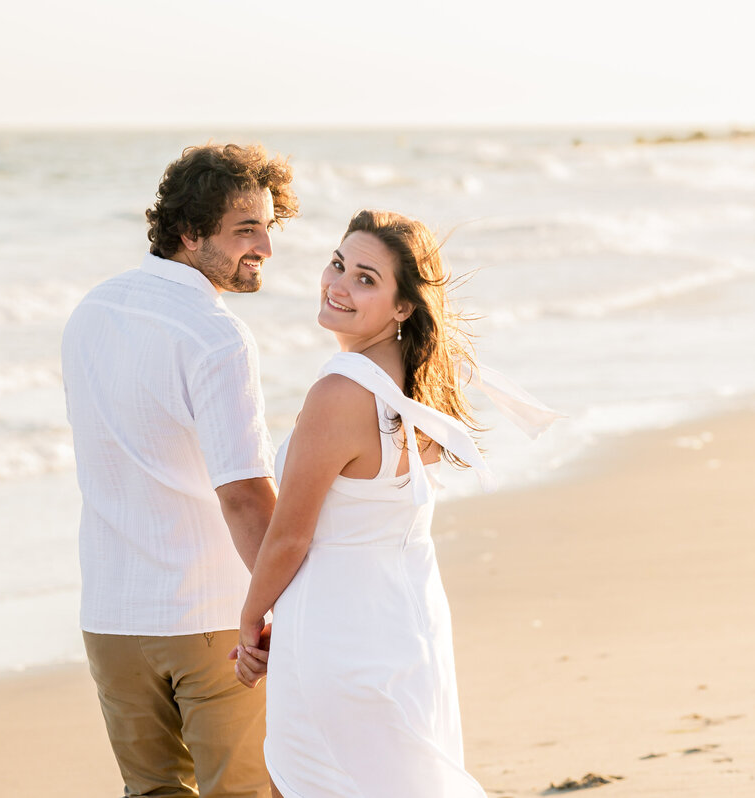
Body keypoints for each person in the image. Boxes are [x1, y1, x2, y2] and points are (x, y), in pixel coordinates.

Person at [232, 210, 559, 797]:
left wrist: (251, 619)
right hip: (409, 625)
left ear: (403, 307)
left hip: (336, 630)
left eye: (365, 278)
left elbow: (289, 537)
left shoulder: (340, 392)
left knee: (309, 780)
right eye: (337, 263)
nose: (337, 284)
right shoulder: (422, 384)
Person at [61, 143, 298, 798]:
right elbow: (246, 495)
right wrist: (296, 597)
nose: (266, 249)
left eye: (269, 228)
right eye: (246, 229)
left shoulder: (91, 312)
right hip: (210, 616)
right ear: (189, 232)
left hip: (111, 615)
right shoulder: (213, 334)